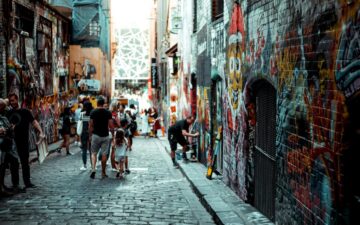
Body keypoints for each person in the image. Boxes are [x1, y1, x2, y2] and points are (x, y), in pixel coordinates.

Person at [6, 93, 44, 188]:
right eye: (10, 101)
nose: (12, 103)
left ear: (17, 100)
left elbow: (34, 122)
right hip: (12, 142)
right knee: (13, 164)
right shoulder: (8, 113)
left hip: (23, 140)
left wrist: (41, 131)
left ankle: (27, 183)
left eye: (13, 100)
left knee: (25, 163)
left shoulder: (25, 112)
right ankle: (15, 184)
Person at [0, 98, 24, 196]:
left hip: (8, 145)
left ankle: (15, 184)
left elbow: (9, 130)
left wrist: (9, 129)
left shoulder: (4, 117)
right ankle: (1, 187)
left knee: (14, 162)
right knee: (1, 166)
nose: (3, 109)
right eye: (2, 107)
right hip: (2, 146)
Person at [89, 97, 113, 179]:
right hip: (105, 136)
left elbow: (90, 125)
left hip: (95, 135)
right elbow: (111, 125)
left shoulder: (93, 112)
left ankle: (93, 169)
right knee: (104, 154)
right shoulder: (108, 112)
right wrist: (112, 133)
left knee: (94, 153)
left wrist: (90, 135)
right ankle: (103, 173)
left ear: (97, 103)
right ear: (103, 104)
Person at [79, 102, 93, 170]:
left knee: (84, 149)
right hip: (92, 133)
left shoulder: (83, 114)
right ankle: (92, 165)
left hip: (84, 133)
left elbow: (83, 125)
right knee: (91, 150)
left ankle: (84, 165)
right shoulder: (93, 113)